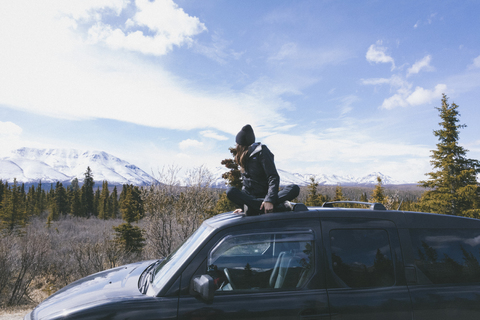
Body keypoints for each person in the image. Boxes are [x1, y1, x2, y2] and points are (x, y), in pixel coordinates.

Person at [226, 124, 300, 216]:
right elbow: (246, 186)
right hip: (253, 198)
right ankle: (262, 206)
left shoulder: (262, 152)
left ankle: (257, 207)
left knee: (294, 188)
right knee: (230, 191)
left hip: (267, 196)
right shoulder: (244, 159)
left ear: (240, 145)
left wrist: (269, 199)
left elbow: (273, 177)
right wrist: (243, 206)